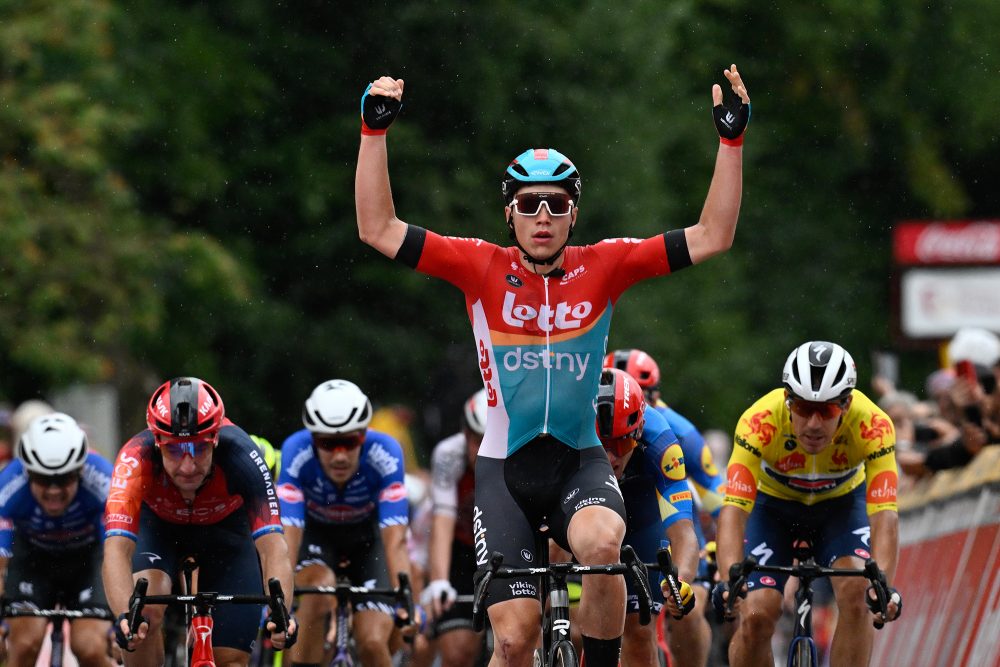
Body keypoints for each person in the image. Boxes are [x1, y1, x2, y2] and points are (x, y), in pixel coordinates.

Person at [355, 66, 750, 667]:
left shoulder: (606, 266)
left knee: (603, 546)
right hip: (504, 469)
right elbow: (377, 229)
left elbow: (713, 235)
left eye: (557, 204)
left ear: (573, 214)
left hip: (578, 459)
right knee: (513, 642)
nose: (543, 215)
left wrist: (730, 144)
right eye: (529, 204)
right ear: (509, 214)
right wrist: (372, 133)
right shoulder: (478, 266)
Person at [715, 341, 903, 667]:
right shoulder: (758, 422)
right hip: (773, 509)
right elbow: (733, 510)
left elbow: (884, 513)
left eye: (827, 410)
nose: (814, 424)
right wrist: (731, 579)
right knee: (757, 611)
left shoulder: (874, 425)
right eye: (803, 408)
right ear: (787, 401)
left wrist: (882, 583)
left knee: (858, 594)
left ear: (846, 405)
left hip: (841, 508)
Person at [103, 377, 296, 666]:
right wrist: (123, 617)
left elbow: (273, 548)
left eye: (200, 449)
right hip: (160, 530)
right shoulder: (135, 457)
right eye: (174, 450)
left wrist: (281, 613)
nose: (188, 466)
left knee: (230, 660)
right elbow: (116, 550)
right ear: (157, 441)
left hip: (226, 532)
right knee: (143, 615)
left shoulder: (243, 455)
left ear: (216, 438)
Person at [276, 379, 413, 667]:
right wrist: (279, 606)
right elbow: (287, 537)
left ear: (364, 435)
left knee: (373, 642)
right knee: (319, 588)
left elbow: (395, 537)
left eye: (349, 442)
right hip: (316, 537)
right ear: (313, 439)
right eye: (327, 443)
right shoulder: (295, 450)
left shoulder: (386, 451)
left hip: (368, 540)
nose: (339, 455)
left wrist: (406, 600)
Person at [604, 348, 723, 666]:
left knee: (679, 613)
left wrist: (712, 562)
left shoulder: (671, 434)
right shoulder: (577, 425)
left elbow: (714, 505)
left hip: (649, 518)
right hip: (595, 517)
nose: (613, 454)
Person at [595, 368, 698, 666]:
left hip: (639, 518)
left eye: (622, 444)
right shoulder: (570, 430)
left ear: (638, 433)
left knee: (639, 633)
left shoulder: (662, 443)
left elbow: (683, 530)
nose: (612, 457)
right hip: (581, 508)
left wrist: (683, 582)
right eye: (602, 445)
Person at [0, 413, 112, 667]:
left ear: (81, 470)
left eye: (64, 478)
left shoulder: (104, 478)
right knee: (22, 646)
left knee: (91, 648)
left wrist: (122, 620)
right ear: (27, 471)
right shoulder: (7, 485)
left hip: (88, 561)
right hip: (32, 561)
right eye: (42, 479)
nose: (53, 490)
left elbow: (118, 551)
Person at [421, 389, 488, 667]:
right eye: (476, 440)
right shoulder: (449, 454)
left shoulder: (521, 455)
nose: (482, 450)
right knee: (457, 653)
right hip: (462, 551)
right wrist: (438, 580)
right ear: (464, 433)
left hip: (509, 549)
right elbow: (443, 521)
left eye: (490, 441)